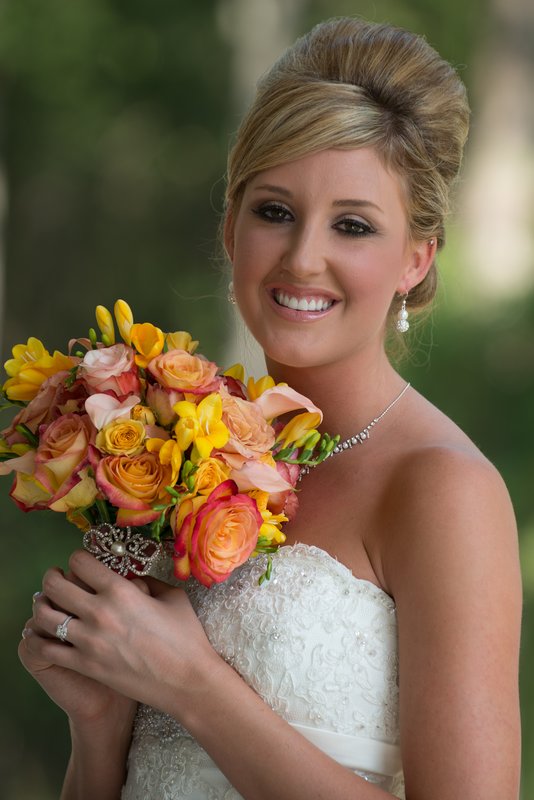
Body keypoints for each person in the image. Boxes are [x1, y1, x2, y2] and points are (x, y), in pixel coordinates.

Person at [19, 17, 522, 800]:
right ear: (231, 225)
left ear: (416, 259)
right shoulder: (172, 447)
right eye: (275, 211)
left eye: (352, 225)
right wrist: (101, 723)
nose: (302, 257)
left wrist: (194, 687)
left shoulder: (442, 490)